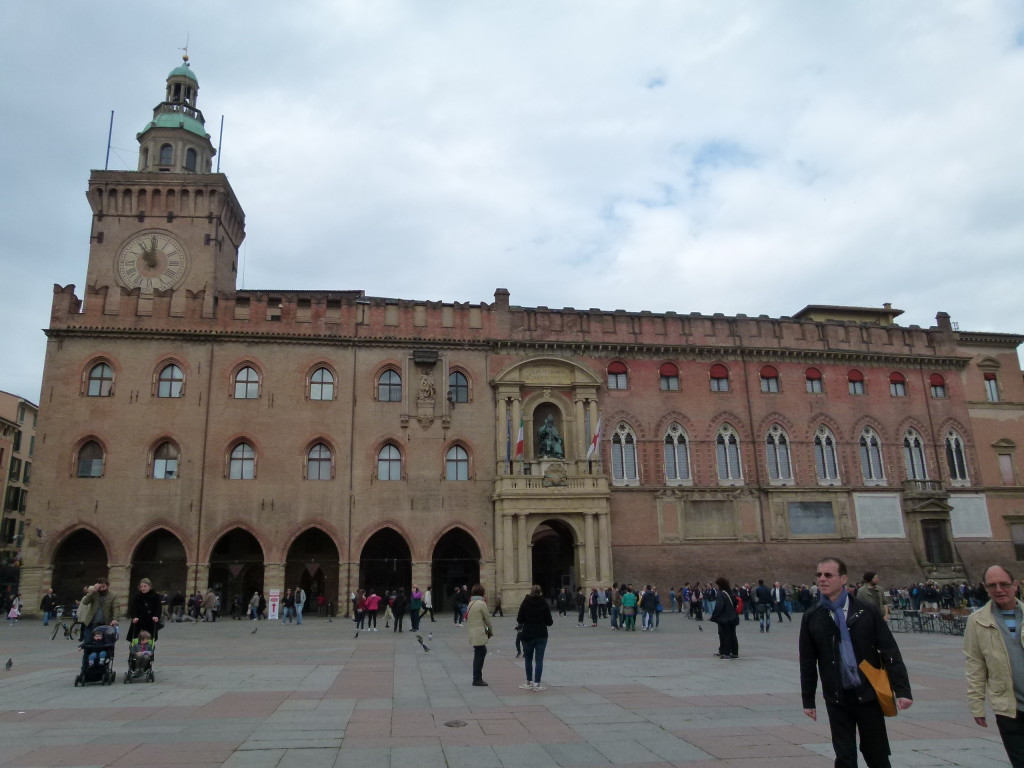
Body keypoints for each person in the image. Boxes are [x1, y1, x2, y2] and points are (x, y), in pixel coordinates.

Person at [800, 556, 912, 768]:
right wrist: (808, 700)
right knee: (844, 757)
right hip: (836, 696)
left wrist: (903, 690)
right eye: (819, 575)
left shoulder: (866, 611)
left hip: (868, 693)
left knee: (876, 754)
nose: (822, 579)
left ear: (843, 579)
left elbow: (889, 650)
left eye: (828, 575)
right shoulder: (812, 616)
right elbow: (807, 661)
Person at [964, 564, 1024, 767]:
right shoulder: (977, 621)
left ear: (1015, 585)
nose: (999, 589)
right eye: (992, 585)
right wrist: (976, 704)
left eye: (1004, 584)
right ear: (985, 588)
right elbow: (975, 665)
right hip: (1008, 708)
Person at [517, 584, 553, 691]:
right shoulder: (544, 603)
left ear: (531, 592)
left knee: (528, 659)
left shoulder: (525, 602)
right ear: (540, 592)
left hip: (527, 634)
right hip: (541, 634)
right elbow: (550, 622)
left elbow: (519, 619)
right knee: (539, 660)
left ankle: (528, 682)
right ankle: (537, 684)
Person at [465, 584, 493, 686]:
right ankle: (477, 679)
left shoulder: (470, 603)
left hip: (472, 632)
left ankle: (477, 678)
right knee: (480, 654)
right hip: (479, 632)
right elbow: (487, 619)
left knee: (479, 653)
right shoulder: (481, 603)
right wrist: (490, 631)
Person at [710, 577, 739, 659]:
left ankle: (726, 653)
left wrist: (714, 616)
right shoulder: (731, 592)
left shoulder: (721, 593)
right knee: (733, 635)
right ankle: (735, 652)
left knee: (725, 635)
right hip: (733, 617)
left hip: (724, 617)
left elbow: (719, 606)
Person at [127, 577, 162, 642]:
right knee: (136, 642)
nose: (143, 588)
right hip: (138, 622)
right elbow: (133, 608)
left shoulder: (156, 596)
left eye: (145, 586)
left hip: (150, 622)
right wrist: (134, 617)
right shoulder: (136, 596)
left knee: (149, 643)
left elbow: (158, 608)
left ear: (150, 586)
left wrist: (156, 616)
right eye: (141, 586)